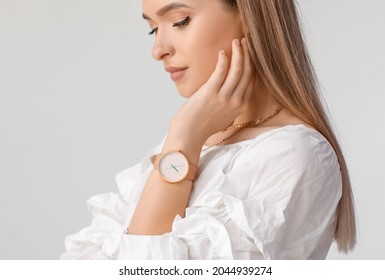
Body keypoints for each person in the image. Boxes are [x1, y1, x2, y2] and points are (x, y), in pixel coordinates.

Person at [60, 0, 356, 260]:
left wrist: (182, 136)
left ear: (250, 16)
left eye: (179, 21)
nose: (158, 50)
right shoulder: (191, 141)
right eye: (153, 29)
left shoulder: (297, 155)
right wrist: (183, 139)